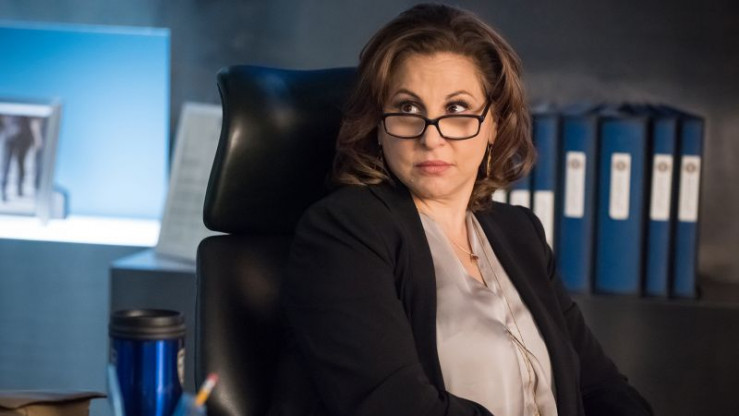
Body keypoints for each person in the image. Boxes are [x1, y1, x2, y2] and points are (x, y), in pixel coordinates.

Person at [270, 4, 653, 415]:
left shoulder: (519, 232)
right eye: (407, 109)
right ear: (379, 127)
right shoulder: (343, 232)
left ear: (494, 125)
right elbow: (397, 406)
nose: (431, 138)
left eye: (455, 109)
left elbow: (599, 385)